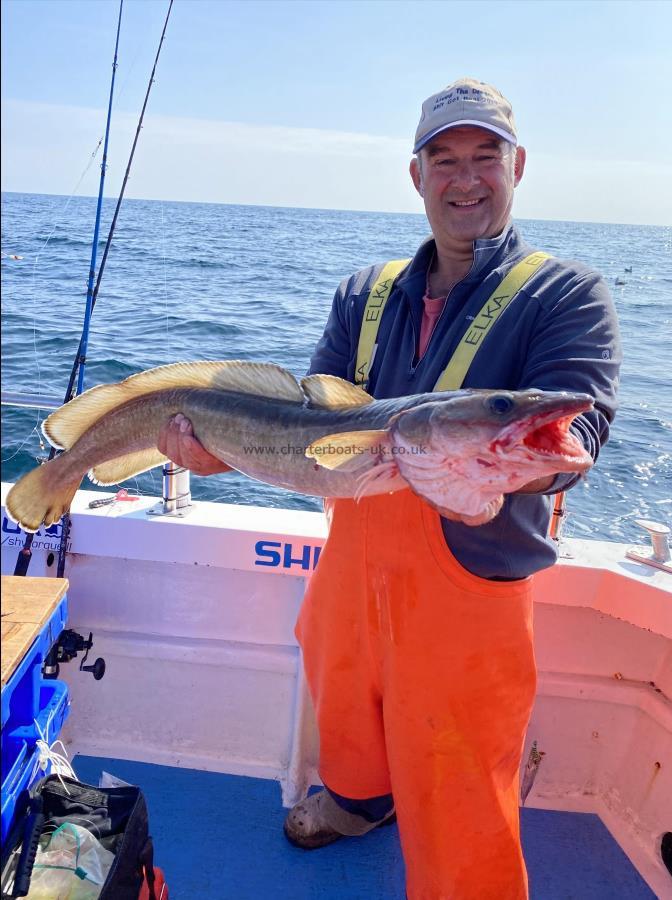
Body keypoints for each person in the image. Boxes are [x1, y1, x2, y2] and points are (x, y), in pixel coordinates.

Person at [158, 78, 621, 899]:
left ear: (518, 167)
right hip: (354, 550)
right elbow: (307, 431)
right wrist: (217, 454)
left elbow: (576, 433)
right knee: (343, 690)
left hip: (470, 574)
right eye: (443, 160)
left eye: (485, 158)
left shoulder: (564, 294)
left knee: (457, 767)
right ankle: (357, 802)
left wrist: (527, 464)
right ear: (416, 176)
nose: (465, 179)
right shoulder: (363, 294)